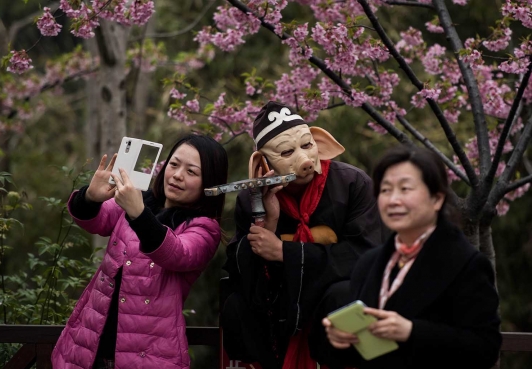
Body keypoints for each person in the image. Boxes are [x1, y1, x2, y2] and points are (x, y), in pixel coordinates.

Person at [221, 101, 384, 369]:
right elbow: (244, 276)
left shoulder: (353, 184)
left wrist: (286, 252)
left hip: (335, 303)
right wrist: (268, 222)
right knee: (237, 306)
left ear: (319, 141)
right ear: (263, 162)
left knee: (344, 294)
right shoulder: (250, 199)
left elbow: (365, 254)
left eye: (307, 145)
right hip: (282, 306)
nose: (305, 159)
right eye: (286, 151)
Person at [309, 145, 502, 369]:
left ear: (437, 199)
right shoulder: (370, 263)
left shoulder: (466, 264)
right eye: (385, 190)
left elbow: (485, 348)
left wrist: (412, 331)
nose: (393, 200)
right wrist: (338, 341)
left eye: (405, 189)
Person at [51, 134, 228, 369]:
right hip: (90, 342)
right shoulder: (140, 200)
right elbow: (97, 221)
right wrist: (90, 197)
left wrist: (139, 214)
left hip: (148, 354)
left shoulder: (204, 227)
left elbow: (176, 253)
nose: (177, 175)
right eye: (173, 164)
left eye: (192, 172)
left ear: (210, 181)